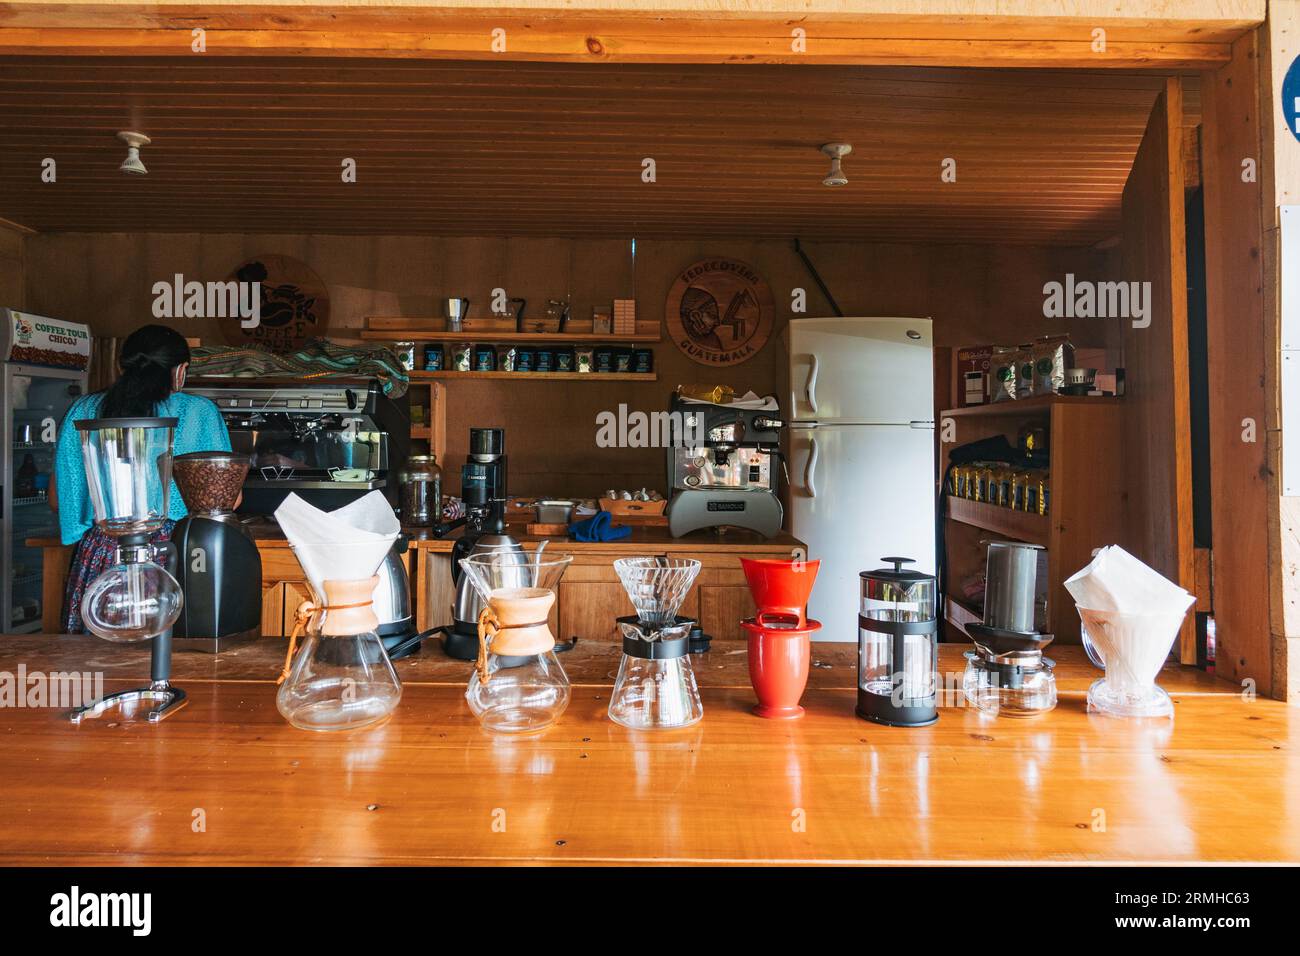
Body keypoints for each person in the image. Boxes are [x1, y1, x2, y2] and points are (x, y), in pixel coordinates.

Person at [52, 325, 232, 633]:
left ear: (120, 367)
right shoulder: (200, 412)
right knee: (177, 655)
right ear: (180, 371)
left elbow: (60, 501)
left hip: (105, 559)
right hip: (180, 554)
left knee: (99, 657)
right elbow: (225, 501)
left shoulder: (84, 410)